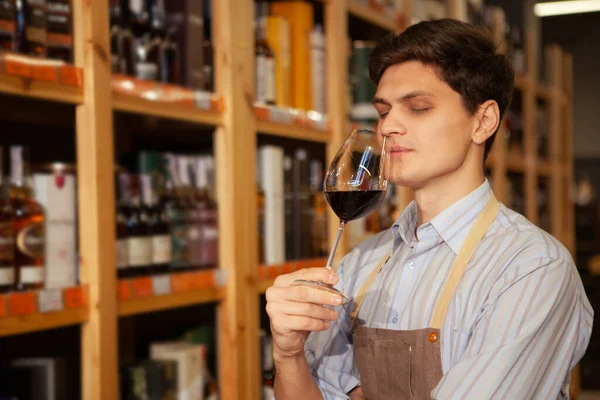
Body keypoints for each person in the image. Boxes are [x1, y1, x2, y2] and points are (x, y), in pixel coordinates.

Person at [265, 18, 593, 400]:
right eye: (384, 111)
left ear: (483, 121)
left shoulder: (530, 268)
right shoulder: (360, 264)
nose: (388, 127)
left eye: (418, 107)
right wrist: (289, 356)